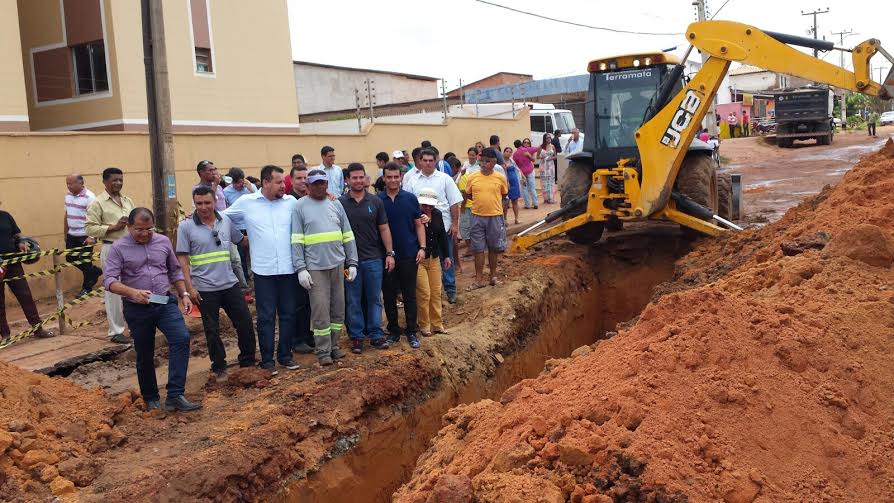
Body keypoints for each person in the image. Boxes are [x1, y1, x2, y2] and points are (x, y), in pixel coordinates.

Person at [104, 208, 201, 412]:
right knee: (145, 353)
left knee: (181, 338)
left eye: (149, 229)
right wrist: (131, 292)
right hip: (137, 307)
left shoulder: (163, 241)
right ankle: (151, 398)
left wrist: (184, 294)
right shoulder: (118, 248)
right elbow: (110, 281)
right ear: (129, 227)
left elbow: (174, 270)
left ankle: (175, 394)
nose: (145, 233)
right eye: (139, 229)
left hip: (165, 302)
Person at [224, 165, 301, 373]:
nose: (283, 186)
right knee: (266, 316)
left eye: (283, 183)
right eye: (278, 182)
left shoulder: (291, 203)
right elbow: (222, 218)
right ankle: (267, 360)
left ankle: (285, 355)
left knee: (287, 314)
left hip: (288, 269)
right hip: (263, 271)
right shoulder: (247, 203)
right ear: (265, 182)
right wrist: (239, 239)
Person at [176, 186, 257, 382]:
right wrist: (189, 288)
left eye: (207, 203)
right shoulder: (185, 227)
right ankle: (219, 366)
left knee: (245, 323)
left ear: (215, 202)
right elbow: (183, 260)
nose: (203, 207)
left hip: (229, 284)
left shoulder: (225, 221)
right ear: (194, 204)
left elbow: (242, 241)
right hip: (204, 288)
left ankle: (248, 362)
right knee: (212, 330)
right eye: (199, 203)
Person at [292, 170, 358, 366]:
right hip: (315, 268)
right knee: (320, 312)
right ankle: (323, 352)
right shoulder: (300, 206)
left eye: (323, 183)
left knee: (338, 309)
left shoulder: (335, 203)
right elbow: (296, 239)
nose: (320, 187)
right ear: (308, 186)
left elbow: (347, 234)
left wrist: (352, 262)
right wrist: (301, 268)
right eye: (316, 184)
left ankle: (334, 346)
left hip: (337, 264)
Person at [339, 163, 395, 354]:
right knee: (353, 300)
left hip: (373, 259)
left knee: (374, 298)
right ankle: (356, 336)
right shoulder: (340, 203)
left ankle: (376, 334)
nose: (358, 180)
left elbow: (384, 228)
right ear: (347, 180)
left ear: (366, 179)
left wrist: (389, 253)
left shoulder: (375, 202)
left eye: (361, 177)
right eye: (354, 178)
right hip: (349, 262)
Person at [403, 148, 463, 304]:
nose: (428, 163)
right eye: (425, 160)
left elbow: (454, 202)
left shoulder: (445, 179)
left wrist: (455, 224)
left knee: (446, 257)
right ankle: (426, 293)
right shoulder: (412, 181)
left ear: (436, 161)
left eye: (431, 160)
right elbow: (406, 203)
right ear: (420, 162)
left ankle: (450, 289)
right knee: (423, 260)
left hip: (443, 226)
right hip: (421, 228)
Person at [379, 162, 426, 349]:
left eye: (395, 176)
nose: (392, 180)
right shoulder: (377, 201)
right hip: (386, 256)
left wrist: (422, 247)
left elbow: (418, 224)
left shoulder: (410, 199)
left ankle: (412, 331)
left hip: (409, 254)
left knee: (409, 294)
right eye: (389, 177)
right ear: (384, 178)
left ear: (401, 177)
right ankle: (393, 331)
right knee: (389, 295)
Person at [85, 167, 134, 344]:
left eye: (120, 180)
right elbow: (90, 228)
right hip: (111, 248)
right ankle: (116, 331)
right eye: (114, 180)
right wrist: (112, 227)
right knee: (114, 289)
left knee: (133, 286)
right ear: (105, 182)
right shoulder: (97, 203)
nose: (118, 183)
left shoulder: (128, 200)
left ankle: (134, 325)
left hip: (131, 248)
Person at [0, 207, 54, 341]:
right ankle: (5, 335)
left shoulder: (5, 215)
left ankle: (38, 329)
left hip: (13, 263)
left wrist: (22, 242)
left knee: (25, 296)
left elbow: (17, 234)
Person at [466, 148, 508, 289]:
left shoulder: (500, 177)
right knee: (478, 249)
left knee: (493, 248)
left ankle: (493, 277)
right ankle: (478, 279)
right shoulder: (472, 177)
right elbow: (469, 194)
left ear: (494, 162)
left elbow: (503, 195)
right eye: (481, 161)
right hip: (477, 217)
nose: (483, 163)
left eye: (487, 161)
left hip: (495, 217)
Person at [415, 187, 451, 337]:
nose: (427, 208)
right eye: (425, 205)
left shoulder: (437, 214)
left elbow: (442, 235)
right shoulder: (415, 215)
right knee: (424, 293)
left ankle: (437, 323)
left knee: (436, 292)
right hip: (419, 260)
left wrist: (447, 256)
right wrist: (425, 225)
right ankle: (424, 324)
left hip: (434, 257)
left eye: (430, 205)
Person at [64, 174, 102, 297]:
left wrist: (92, 237)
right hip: (72, 234)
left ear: (81, 183)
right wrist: (65, 232)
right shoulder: (68, 196)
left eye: (71, 183)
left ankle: (87, 288)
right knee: (70, 258)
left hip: (85, 235)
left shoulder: (90, 197)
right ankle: (95, 272)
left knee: (85, 262)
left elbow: (96, 218)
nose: (68, 186)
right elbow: (67, 214)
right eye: (67, 183)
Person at [223, 167, 254, 281]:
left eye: (241, 181)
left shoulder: (250, 188)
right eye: (236, 183)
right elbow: (225, 210)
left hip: (250, 225)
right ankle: (245, 278)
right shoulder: (226, 191)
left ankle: (254, 275)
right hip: (237, 227)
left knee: (252, 252)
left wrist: (251, 189)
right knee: (240, 256)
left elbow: (259, 201)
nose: (240, 185)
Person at [512, 139, 539, 209]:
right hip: (530, 170)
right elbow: (537, 148)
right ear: (521, 143)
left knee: (524, 189)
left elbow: (515, 165)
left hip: (522, 173)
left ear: (515, 146)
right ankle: (535, 203)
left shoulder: (514, 154)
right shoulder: (527, 150)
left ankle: (527, 204)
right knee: (532, 188)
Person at [502, 147, 522, 224]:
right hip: (505, 183)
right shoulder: (501, 162)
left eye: (510, 152)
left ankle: (516, 218)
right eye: (507, 151)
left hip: (514, 183)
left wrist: (522, 176)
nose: (508, 153)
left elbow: (517, 169)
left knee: (515, 201)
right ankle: (505, 219)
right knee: (506, 202)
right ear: (503, 152)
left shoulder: (512, 161)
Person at [539, 134, 557, 204]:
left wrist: (551, 158)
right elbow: (537, 156)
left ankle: (551, 198)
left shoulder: (553, 146)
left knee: (551, 181)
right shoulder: (540, 147)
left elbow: (555, 156)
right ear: (544, 139)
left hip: (550, 166)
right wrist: (541, 157)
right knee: (544, 182)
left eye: (550, 138)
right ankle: (546, 198)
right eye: (547, 138)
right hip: (543, 165)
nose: (549, 139)